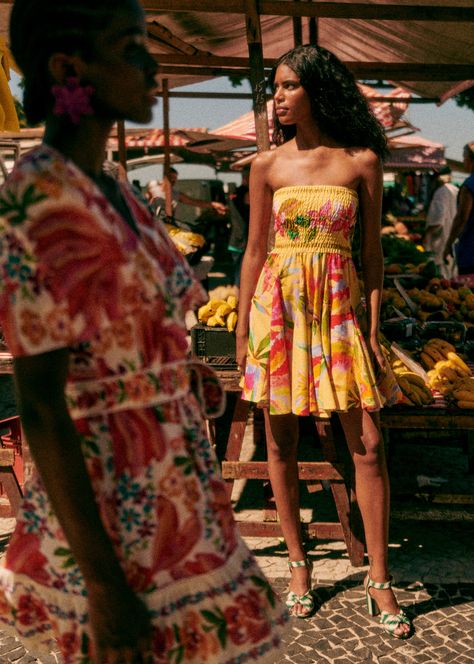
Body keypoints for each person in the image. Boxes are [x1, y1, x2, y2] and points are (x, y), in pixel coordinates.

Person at [0, 2, 288, 662]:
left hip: (175, 487)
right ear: (68, 67)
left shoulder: (115, 189)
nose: (151, 65)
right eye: (130, 46)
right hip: (109, 505)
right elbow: (41, 406)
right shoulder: (35, 198)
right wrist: (103, 585)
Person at [236, 44, 412, 639]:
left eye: (287, 87)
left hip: (339, 316)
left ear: (316, 88)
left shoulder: (362, 161)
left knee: (366, 442)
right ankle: (298, 567)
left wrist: (372, 320)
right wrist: (241, 327)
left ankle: (379, 579)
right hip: (279, 314)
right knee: (279, 443)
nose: (277, 98)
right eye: (274, 88)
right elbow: (255, 252)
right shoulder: (265, 166)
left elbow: (372, 255)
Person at [148, 167, 227, 224]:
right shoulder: (153, 190)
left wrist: (214, 204)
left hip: (168, 225)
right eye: (171, 177)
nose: (173, 180)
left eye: (175, 178)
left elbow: (194, 202)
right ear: (165, 177)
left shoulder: (176, 194)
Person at [444, 141, 474, 275]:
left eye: (464, 157)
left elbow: (462, 217)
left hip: (471, 252)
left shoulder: (469, 185)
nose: (463, 161)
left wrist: (448, 243)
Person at [422, 166, 458, 277]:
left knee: (442, 278)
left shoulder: (441, 192)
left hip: (441, 242)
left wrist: (426, 236)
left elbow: (437, 220)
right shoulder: (456, 190)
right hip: (453, 240)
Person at [228, 169, 250, 285]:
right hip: (242, 241)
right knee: (241, 276)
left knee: (238, 273)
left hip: (235, 239)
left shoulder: (235, 192)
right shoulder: (245, 193)